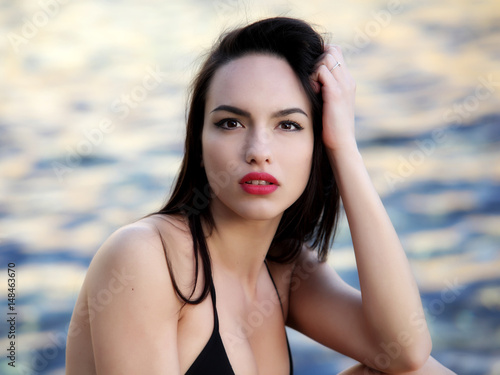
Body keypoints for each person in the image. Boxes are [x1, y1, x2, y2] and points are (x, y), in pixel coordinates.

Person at [65, 17, 456, 375]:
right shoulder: (146, 256)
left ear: (315, 145)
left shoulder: (285, 270)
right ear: (199, 144)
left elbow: (406, 350)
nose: (258, 150)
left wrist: (344, 148)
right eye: (230, 123)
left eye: (288, 124)